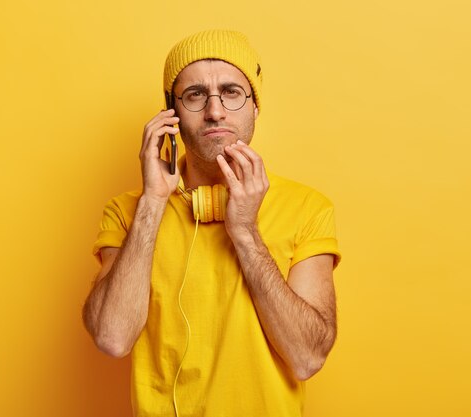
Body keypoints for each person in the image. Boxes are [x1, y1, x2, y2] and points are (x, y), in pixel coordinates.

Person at [82, 29, 342, 417]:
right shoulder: (128, 212)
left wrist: (245, 232)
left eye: (232, 92)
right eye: (195, 94)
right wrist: (153, 201)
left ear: (255, 107)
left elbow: (307, 358)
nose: (215, 111)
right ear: (170, 112)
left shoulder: (307, 208)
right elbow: (112, 338)